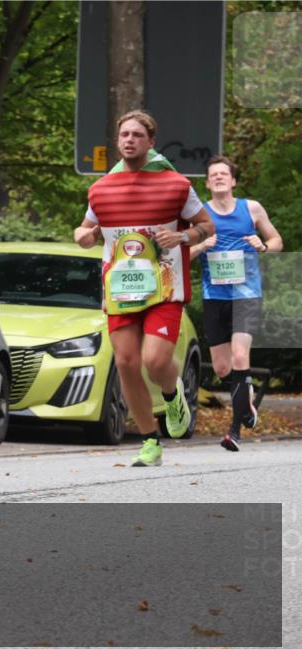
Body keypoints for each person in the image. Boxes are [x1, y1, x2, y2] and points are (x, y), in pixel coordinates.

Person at [74, 110, 215, 467]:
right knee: (125, 362)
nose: (129, 140)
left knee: (155, 360)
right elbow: (85, 229)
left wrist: (182, 235)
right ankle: (150, 440)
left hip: (165, 287)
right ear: (117, 140)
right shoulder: (101, 188)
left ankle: (172, 395)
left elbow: (207, 226)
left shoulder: (176, 185)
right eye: (124, 134)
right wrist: (85, 236)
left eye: (137, 134)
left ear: (151, 142)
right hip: (121, 289)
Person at [190, 156, 283, 452]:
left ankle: (235, 431)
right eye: (213, 174)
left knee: (241, 357)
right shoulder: (199, 214)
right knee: (221, 368)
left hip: (246, 295)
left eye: (223, 174)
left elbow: (276, 240)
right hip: (214, 297)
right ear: (207, 182)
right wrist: (202, 245)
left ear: (233, 181)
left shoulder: (251, 208)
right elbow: (184, 252)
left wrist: (263, 246)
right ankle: (249, 399)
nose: (218, 178)